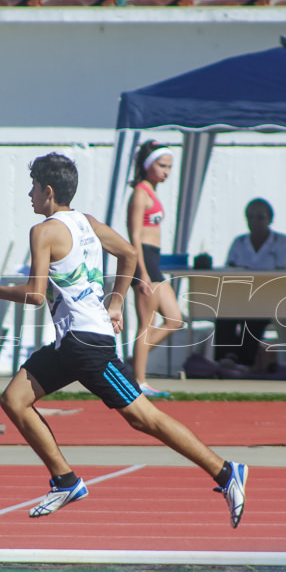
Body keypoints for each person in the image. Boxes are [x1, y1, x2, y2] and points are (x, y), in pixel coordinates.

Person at [0, 153, 248, 528]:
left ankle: (225, 472)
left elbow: (36, 296)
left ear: (48, 191)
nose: (29, 194)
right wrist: (115, 302)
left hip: (86, 346)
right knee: (14, 400)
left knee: (144, 418)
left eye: (33, 186)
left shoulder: (44, 231)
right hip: (75, 342)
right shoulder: (87, 222)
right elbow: (129, 255)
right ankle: (65, 480)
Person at [126, 141, 184, 392]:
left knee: (175, 319)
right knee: (146, 325)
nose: (167, 172)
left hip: (154, 260)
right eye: (162, 166)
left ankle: (133, 363)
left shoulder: (152, 191)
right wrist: (143, 274)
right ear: (148, 165)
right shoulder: (140, 192)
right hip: (144, 262)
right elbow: (134, 236)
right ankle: (138, 382)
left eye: (170, 167)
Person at [214, 198, 286, 369]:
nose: (254, 222)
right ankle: (226, 358)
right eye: (250, 217)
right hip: (240, 295)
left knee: (254, 315)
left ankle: (245, 362)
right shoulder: (239, 242)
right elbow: (229, 271)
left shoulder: (281, 242)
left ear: (270, 219)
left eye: (260, 217)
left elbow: (282, 272)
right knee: (223, 312)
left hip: (268, 296)